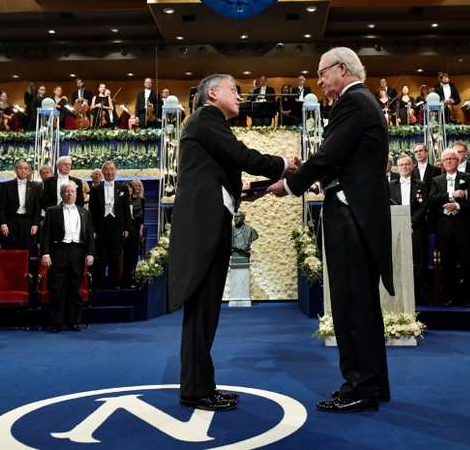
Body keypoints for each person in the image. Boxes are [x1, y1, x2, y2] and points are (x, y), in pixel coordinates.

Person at [269, 47, 393, 413]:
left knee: (350, 304)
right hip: (358, 216)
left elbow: (329, 156)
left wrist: (291, 184)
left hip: (349, 217)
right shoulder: (362, 102)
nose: (319, 81)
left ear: (342, 69)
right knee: (362, 307)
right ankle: (371, 384)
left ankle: (359, 386)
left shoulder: (353, 103)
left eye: (322, 73)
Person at [170, 73, 292, 411]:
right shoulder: (206, 119)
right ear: (212, 94)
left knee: (206, 313)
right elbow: (242, 156)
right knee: (201, 313)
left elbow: (219, 171)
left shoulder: (208, 124)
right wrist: (282, 165)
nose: (240, 97)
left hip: (210, 225)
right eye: (234, 91)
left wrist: (241, 193)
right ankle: (195, 391)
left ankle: (201, 386)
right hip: (203, 230)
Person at [41, 182, 95, 332]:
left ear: (77, 194)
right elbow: (45, 234)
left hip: (77, 252)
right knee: (56, 288)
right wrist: (45, 253)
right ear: (62, 194)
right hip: (58, 251)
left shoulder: (84, 212)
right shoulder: (52, 211)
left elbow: (89, 235)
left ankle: (74, 321)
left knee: (74, 287)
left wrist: (90, 253)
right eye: (67, 192)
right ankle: (56, 323)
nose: (70, 194)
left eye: (72, 192)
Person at [429, 148, 470, 305]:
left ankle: (469, 297)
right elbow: (432, 199)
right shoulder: (436, 180)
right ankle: (449, 297)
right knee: (446, 262)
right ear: (442, 163)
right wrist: (451, 196)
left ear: (458, 161)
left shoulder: (468, 178)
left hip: (462, 224)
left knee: (465, 260)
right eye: (446, 159)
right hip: (444, 225)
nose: (449, 161)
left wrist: (457, 206)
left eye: (452, 159)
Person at [389, 155, 428, 304]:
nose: (404, 167)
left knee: (419, 261)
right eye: (401, 165)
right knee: (397, 260)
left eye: (407, 165)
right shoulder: (390, 186)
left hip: (416, 228)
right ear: (397, 168)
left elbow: (423, 207)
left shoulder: (421, 184)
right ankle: (399, 295)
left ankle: (420, 296)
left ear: (412, 167)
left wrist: (410, 223)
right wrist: (401, 223)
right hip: (397, 228)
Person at [89, 161, 130, 289]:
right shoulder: (96, 189)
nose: (109, 172)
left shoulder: (122, 188)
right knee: (101, 255)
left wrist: (126, 228)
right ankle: (99, 283)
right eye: (106, 169)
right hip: (101, 225)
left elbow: (126, 210)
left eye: (112, 169)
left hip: (117, 225)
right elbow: (92, 211)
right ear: (103, 172)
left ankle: (114, 283)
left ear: (116, 171)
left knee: (115, 255)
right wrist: (93, 229)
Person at [0, 160, 40, 250]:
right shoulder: (6, 185)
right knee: (9, 248)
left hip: (27, 222)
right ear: (15, 170)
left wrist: (35, 224)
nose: (23, 170)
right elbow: (1, 207)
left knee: (26, 249)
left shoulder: (35, 187)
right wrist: (3, 223)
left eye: (26, 168)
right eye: (20, 168)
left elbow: (37, 208)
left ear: (29, 171)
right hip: (10, 221)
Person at [123, 180, 145, 285]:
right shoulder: (121, 201)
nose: (129, 190)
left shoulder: (140, 200)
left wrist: (141, 229)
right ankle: (123, 279)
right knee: (124, 257)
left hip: (135, 231)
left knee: (133, 256)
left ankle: (132, 278)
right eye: (127, 188)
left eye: (130, 188)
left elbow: (142, 217)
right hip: (123, 232)